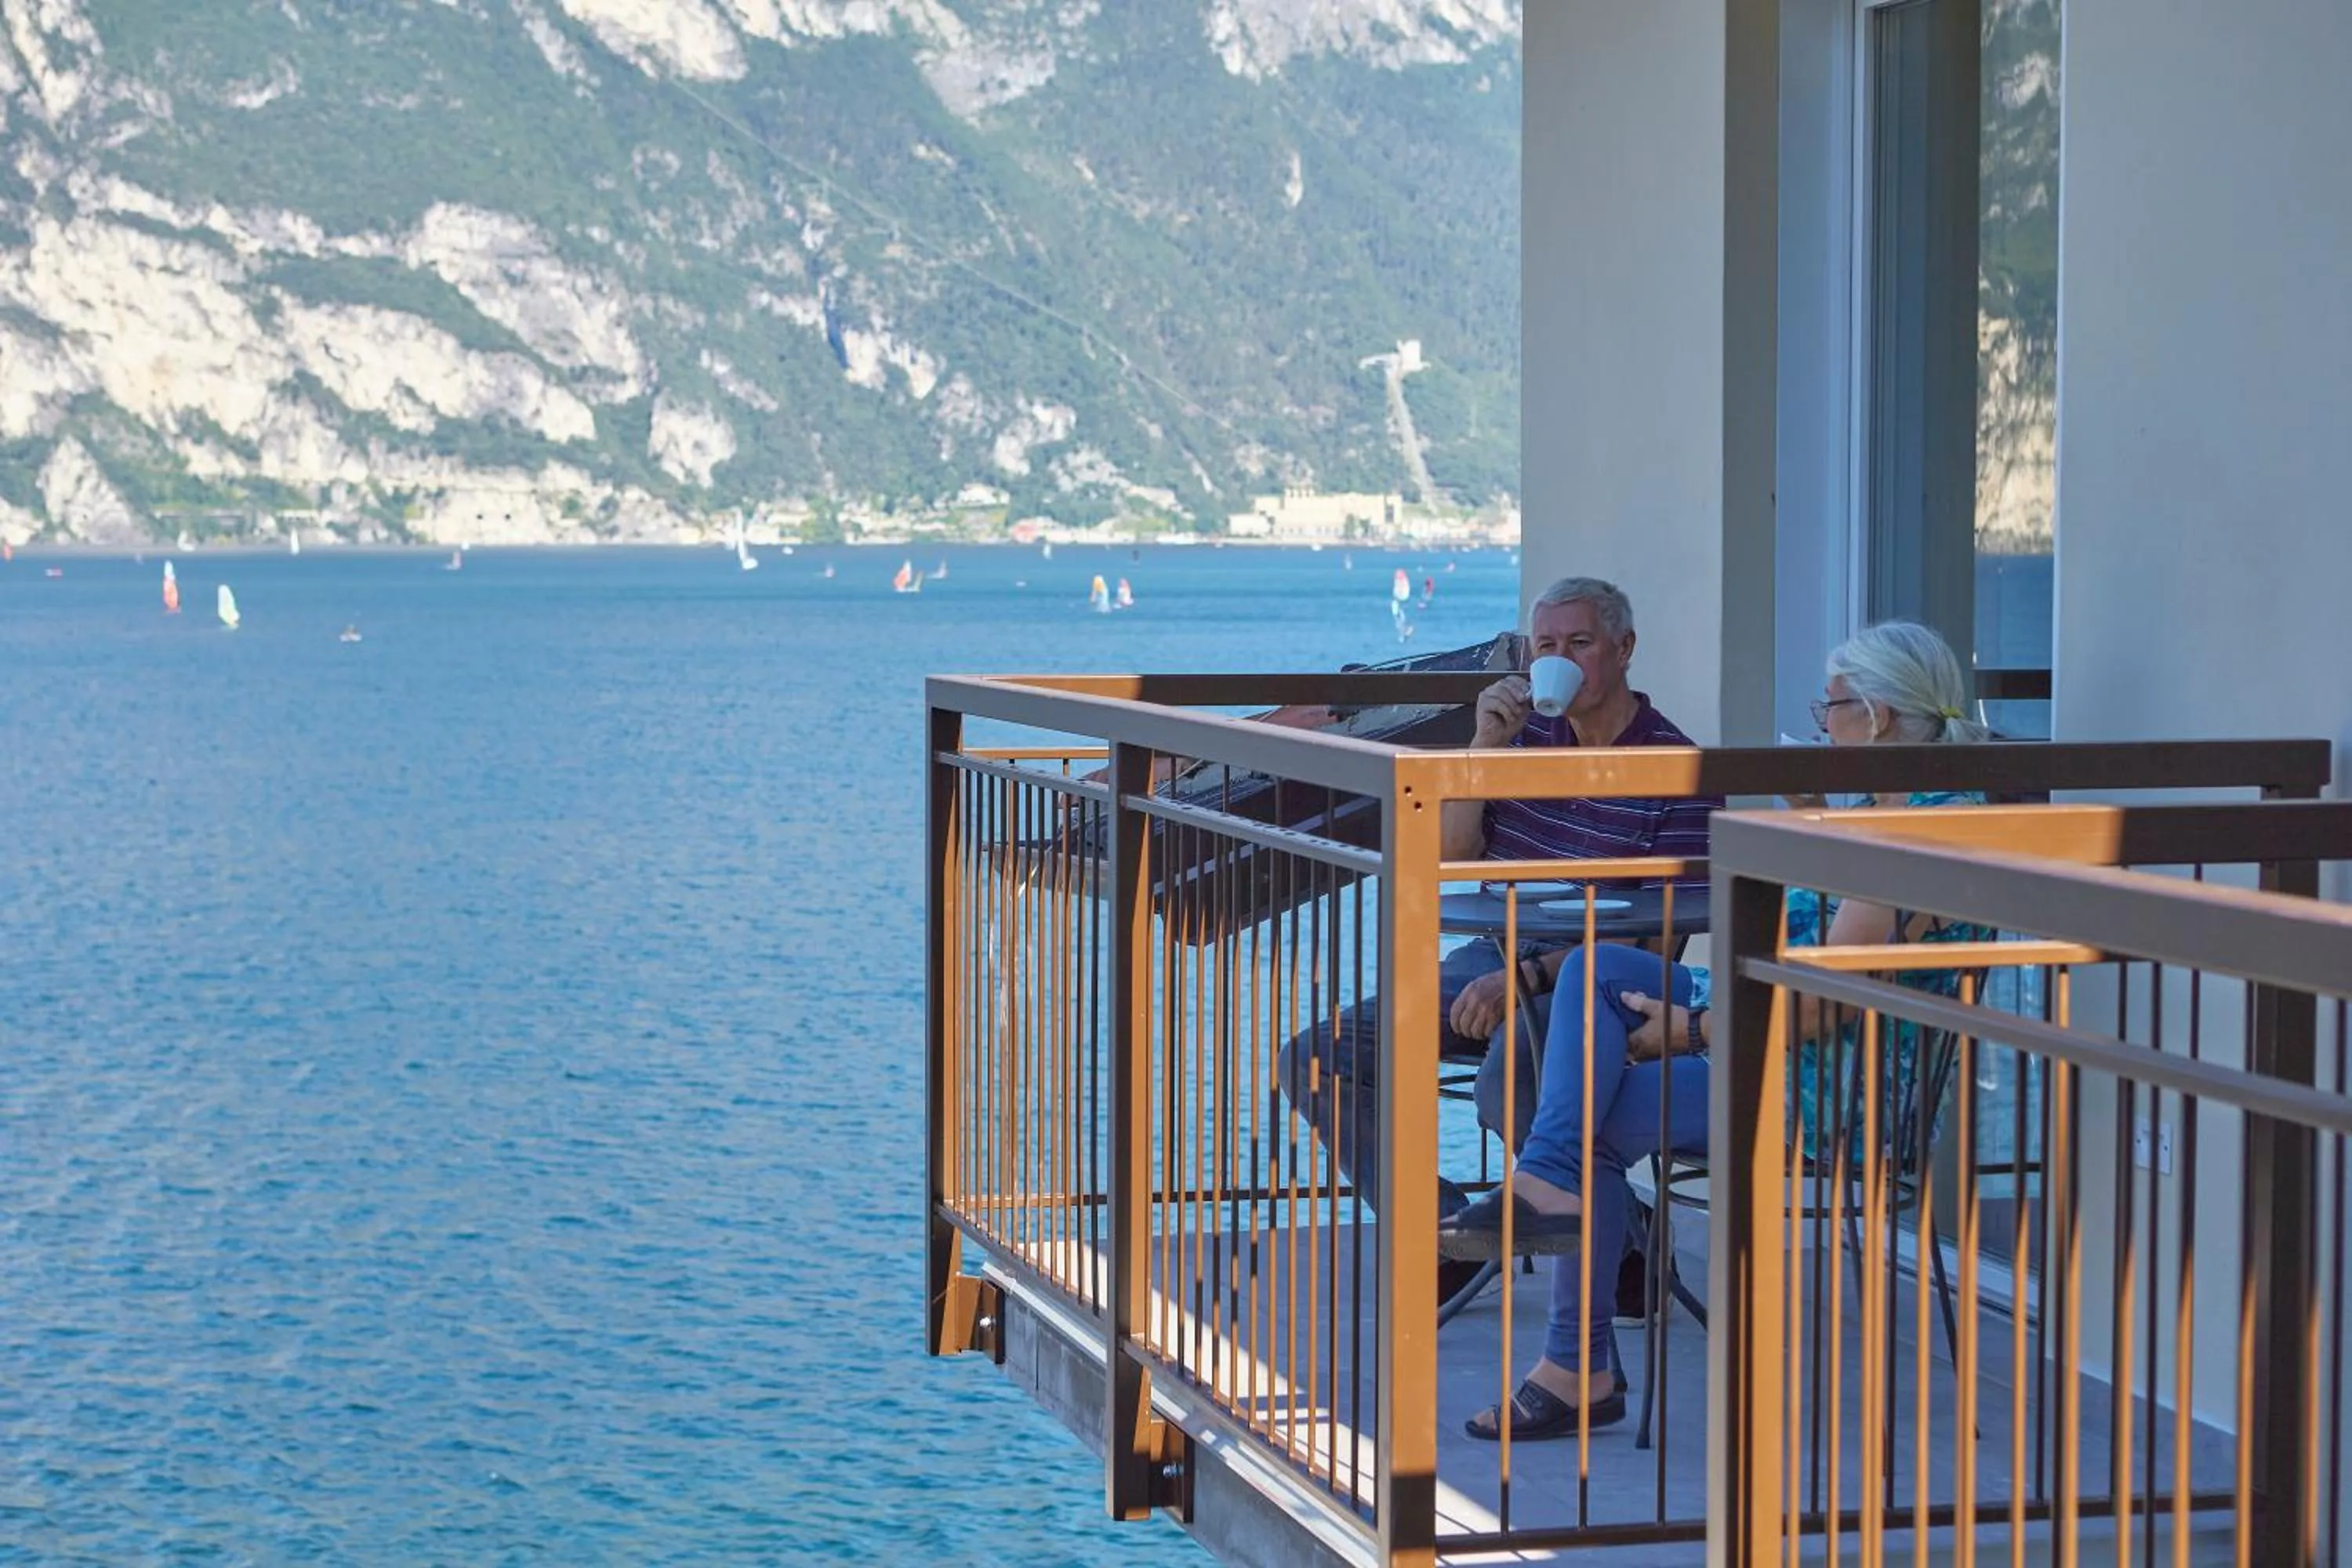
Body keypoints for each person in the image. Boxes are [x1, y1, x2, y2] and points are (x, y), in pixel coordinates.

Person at [1436, 620, 1998, 1441]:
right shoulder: (1901, 807)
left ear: (1876, 717)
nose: (1821, 725)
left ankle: (1575, 1358)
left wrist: (1695, 1028)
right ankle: (1549, 1184)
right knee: (1596, 969)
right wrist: (1814, 823)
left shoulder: (1914, 833)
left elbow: (1824, 1001)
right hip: (1782, 1038)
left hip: (1827, 1084)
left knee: (1592, 1114)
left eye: (1831, 708)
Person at [1275, 576, 1721, 1294]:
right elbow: (1451, 856)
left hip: (1591, 981)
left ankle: (1621, 1252)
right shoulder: (1522, 739)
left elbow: (1659, 945)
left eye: (1579, 643)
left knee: (1508, 1082)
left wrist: (1528, 977)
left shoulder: (1679, 767)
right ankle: (1452, 1237)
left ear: (1624, 649)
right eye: (1547, 645)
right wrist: (1482, 748)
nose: (1561, 658)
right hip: (1489, 956)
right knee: (1318, 1059)